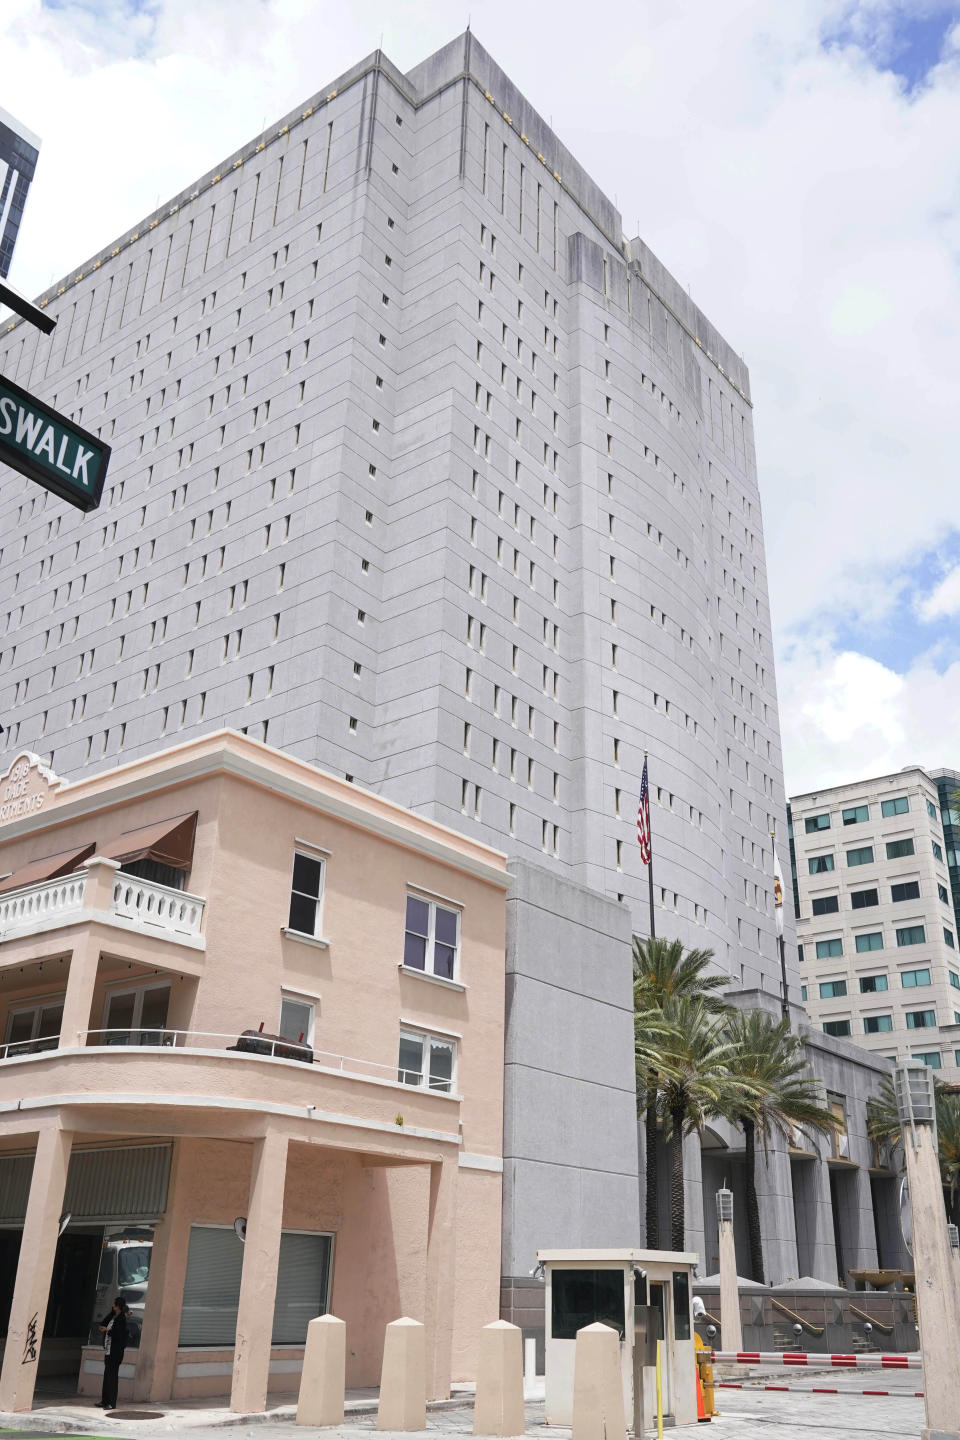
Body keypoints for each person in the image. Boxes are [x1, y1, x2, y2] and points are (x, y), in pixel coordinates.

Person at [97, 1297, 130, 1409]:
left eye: (114, 1305)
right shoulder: (114, 1316)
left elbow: (118, 1335)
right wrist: (112, 1312)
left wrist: (107, 1330)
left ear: (117, 1306)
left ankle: (112, 1403)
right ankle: (104, 1401)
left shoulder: (121, 1319)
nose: (112, 1306)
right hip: (108, 1351)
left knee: (112, 1377)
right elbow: (103, 1323)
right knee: (107, 1376)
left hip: (115, 1353)